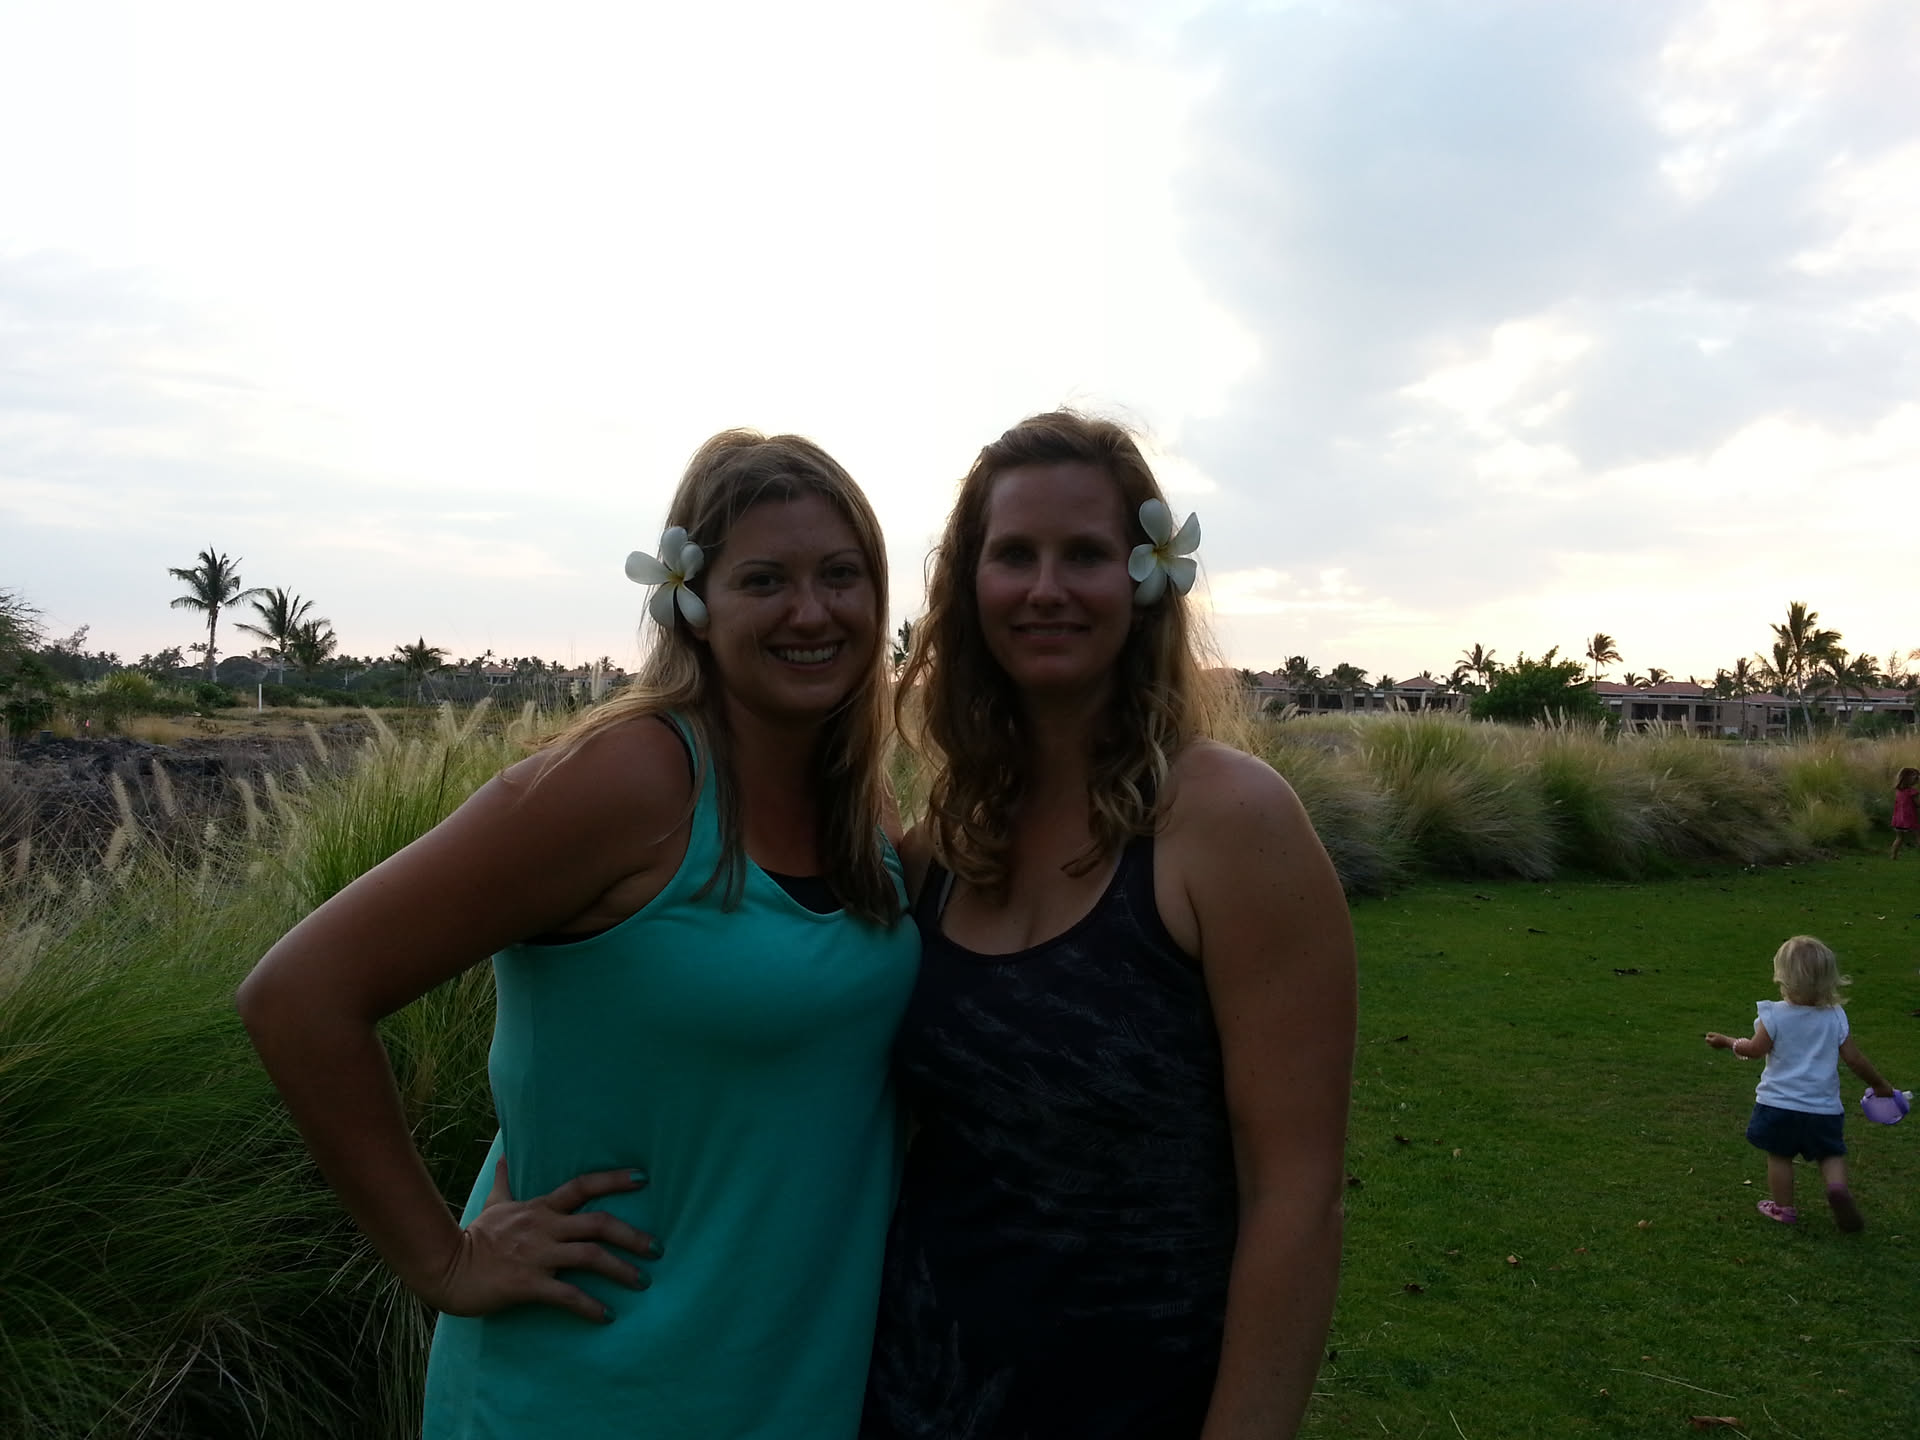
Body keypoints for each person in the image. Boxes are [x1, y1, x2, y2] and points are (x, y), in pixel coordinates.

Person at [237, 430, 919, 1438]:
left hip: (788, 1390)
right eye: (764, 580)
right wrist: (444, 1261)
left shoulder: (864, 815)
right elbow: (299, 996)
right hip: (587, 1388)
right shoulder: (631, 779)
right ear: (694, 600)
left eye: (841, 575)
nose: (811, 611)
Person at [863, 411, 1357, 1440]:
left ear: (1145, 580)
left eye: (1085, 554)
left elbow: (1296, 1196)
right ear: (971, 585)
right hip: (909, 1399)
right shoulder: (946, 842)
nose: (1046, 588)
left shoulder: (1230, 822)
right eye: (1015, 555)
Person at [1706, 935, 1900, 1232]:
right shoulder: (1835, 1016)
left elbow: (1754, 1050)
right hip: (1823, 1108)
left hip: (1778, 1105)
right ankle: (1837, 1188)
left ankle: (1783, 1208)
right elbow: (1854, 1059)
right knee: (1830, 1153)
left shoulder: (1773, 1014)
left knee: (1780, 1155)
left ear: (1782, 977)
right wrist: (1881, 1085)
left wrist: (1726, 1042)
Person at [1889, 766, 1918, 859]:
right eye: (1916, 777)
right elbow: (1918, 804)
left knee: (1899, 838)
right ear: (1908, 779)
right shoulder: (1912, 791)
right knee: (1918, 836)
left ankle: (1893, 855)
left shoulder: (1898, 791)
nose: (1917, 779)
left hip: (1898, 819)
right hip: (1909, 818)